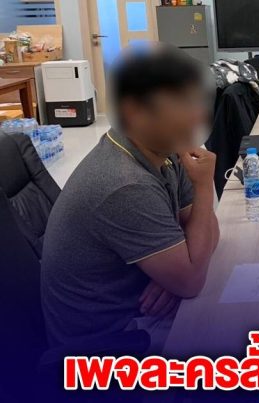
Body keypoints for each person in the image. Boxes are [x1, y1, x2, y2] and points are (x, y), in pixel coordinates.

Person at [41, 45, 219, 349]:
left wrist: (178, 272)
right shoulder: (125, 184)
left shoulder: (165, 148)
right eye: (183, 104)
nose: (199, 115)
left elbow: (207, 231)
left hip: (139, 313)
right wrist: (203, 187)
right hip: (108, 343)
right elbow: (191, 281)